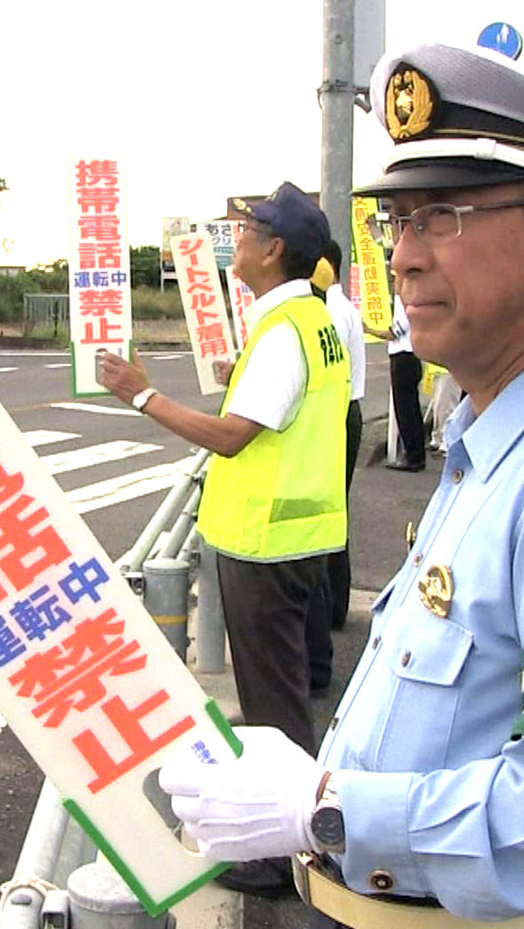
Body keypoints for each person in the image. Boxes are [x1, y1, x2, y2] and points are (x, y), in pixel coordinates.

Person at [160, 41, 524, 928]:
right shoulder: (499, 438)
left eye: (442, 217)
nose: (406, 257)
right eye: (399, 223)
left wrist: (323, 808)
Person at [98, 181, 350, 898]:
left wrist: (143, 395)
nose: (233, 242)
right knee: (285, 697)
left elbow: (232, 438)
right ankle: (297, 843)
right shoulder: (313, 318)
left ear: (274, 251)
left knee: (272, 710)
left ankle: (281, 858)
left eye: (246, 233)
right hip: (301, 536)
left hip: (265, 545)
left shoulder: (281, 333)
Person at [321, 238, 365, 633]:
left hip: (336, 414)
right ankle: (333, 607)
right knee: (334, 512)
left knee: (328, 515)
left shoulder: (331, 310)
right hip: (344, 411)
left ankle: (331, 608)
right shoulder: (339, 306)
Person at [363, 292, 425, 470]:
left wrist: (368, 330)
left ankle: (413, 457)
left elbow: (394, 333)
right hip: (410, 357)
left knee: (406, 410)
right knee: (410, 409)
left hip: (404, 357)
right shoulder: (407, 301)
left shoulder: (405, 303)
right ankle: (414, 454)